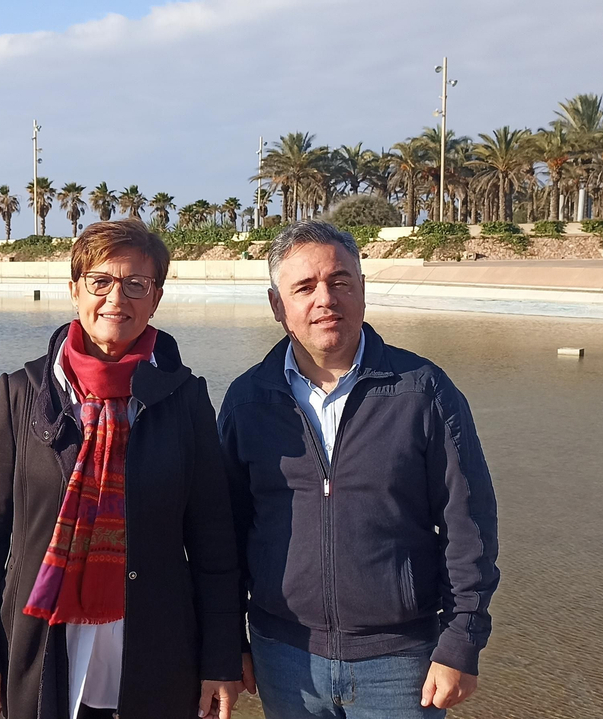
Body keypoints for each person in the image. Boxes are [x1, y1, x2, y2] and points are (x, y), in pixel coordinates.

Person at [0, 219, 245, 719]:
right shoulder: (22, 394)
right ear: (74, 290)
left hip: (154, 648)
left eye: (136, 284)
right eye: (101, 281)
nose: (118, 297)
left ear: (155, 298)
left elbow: (213, 542)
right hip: (40, 643)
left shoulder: (185, 398)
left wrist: (221, 658)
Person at [219, 221, 500, 718]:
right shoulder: (248, 401)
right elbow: (226, 534)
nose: (325, 299)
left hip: (402, 662)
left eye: (340, 281)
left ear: (363, 290)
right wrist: (228, 640)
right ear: (276, 305)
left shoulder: (422, 390)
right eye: (304, 287)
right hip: (285, 659)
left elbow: (468, 523)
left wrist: (462, 641)